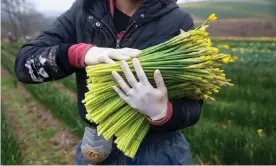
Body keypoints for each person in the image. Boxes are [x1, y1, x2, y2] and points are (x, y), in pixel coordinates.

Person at [14, 0, 202, 165]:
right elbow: (24, 64)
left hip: (160, 153)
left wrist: (163, 112)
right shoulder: (83, 11)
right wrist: (81, 54)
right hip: (98, 148)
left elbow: (194, 107)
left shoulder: (178, 21)